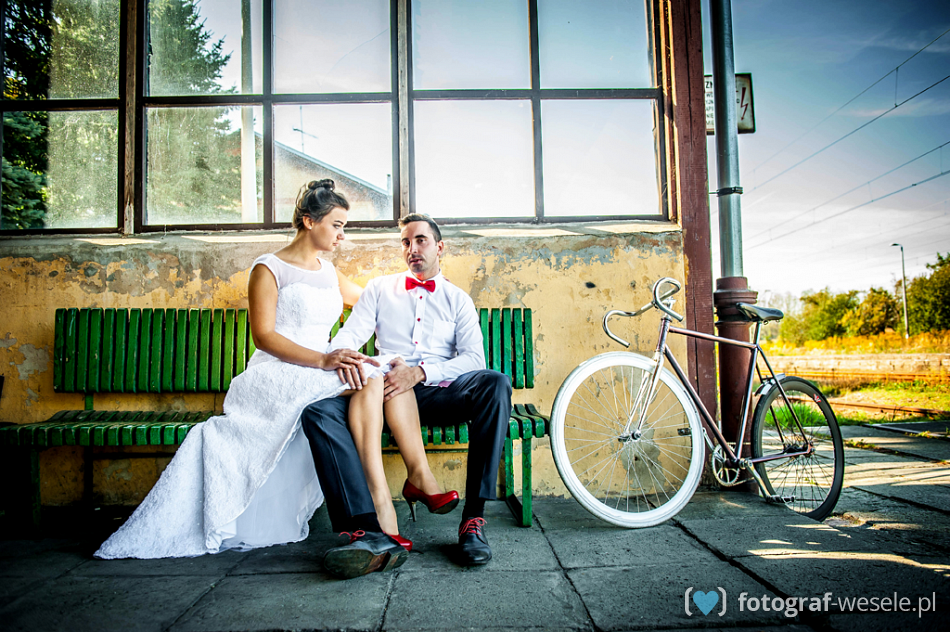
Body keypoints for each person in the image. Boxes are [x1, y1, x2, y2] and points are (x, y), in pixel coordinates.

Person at [94, 180, 405, 560]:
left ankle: (376, 505)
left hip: (318, 369)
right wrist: (324, 360)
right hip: (277, 370)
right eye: (337, 225)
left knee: (370, 376)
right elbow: (264, 336)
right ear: (310, 221)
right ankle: (376, 509)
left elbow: (372, 302)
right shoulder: (268, 268)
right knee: (364, 378)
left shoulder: (329, 272)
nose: (342, 235)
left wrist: (415, 290)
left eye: (344, 227)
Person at [302, 213, 512, 579]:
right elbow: (350, 336)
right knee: (317, 414)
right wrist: (350, 357)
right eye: (406, 242)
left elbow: (473, 360)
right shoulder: (380, 289)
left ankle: (473, 522)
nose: (412, 248)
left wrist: (420, 372)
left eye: (421, 240)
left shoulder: (457, 300)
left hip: (436, 396)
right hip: (382, 394)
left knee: (495, 384)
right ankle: (364, 527)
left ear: (439, 247)